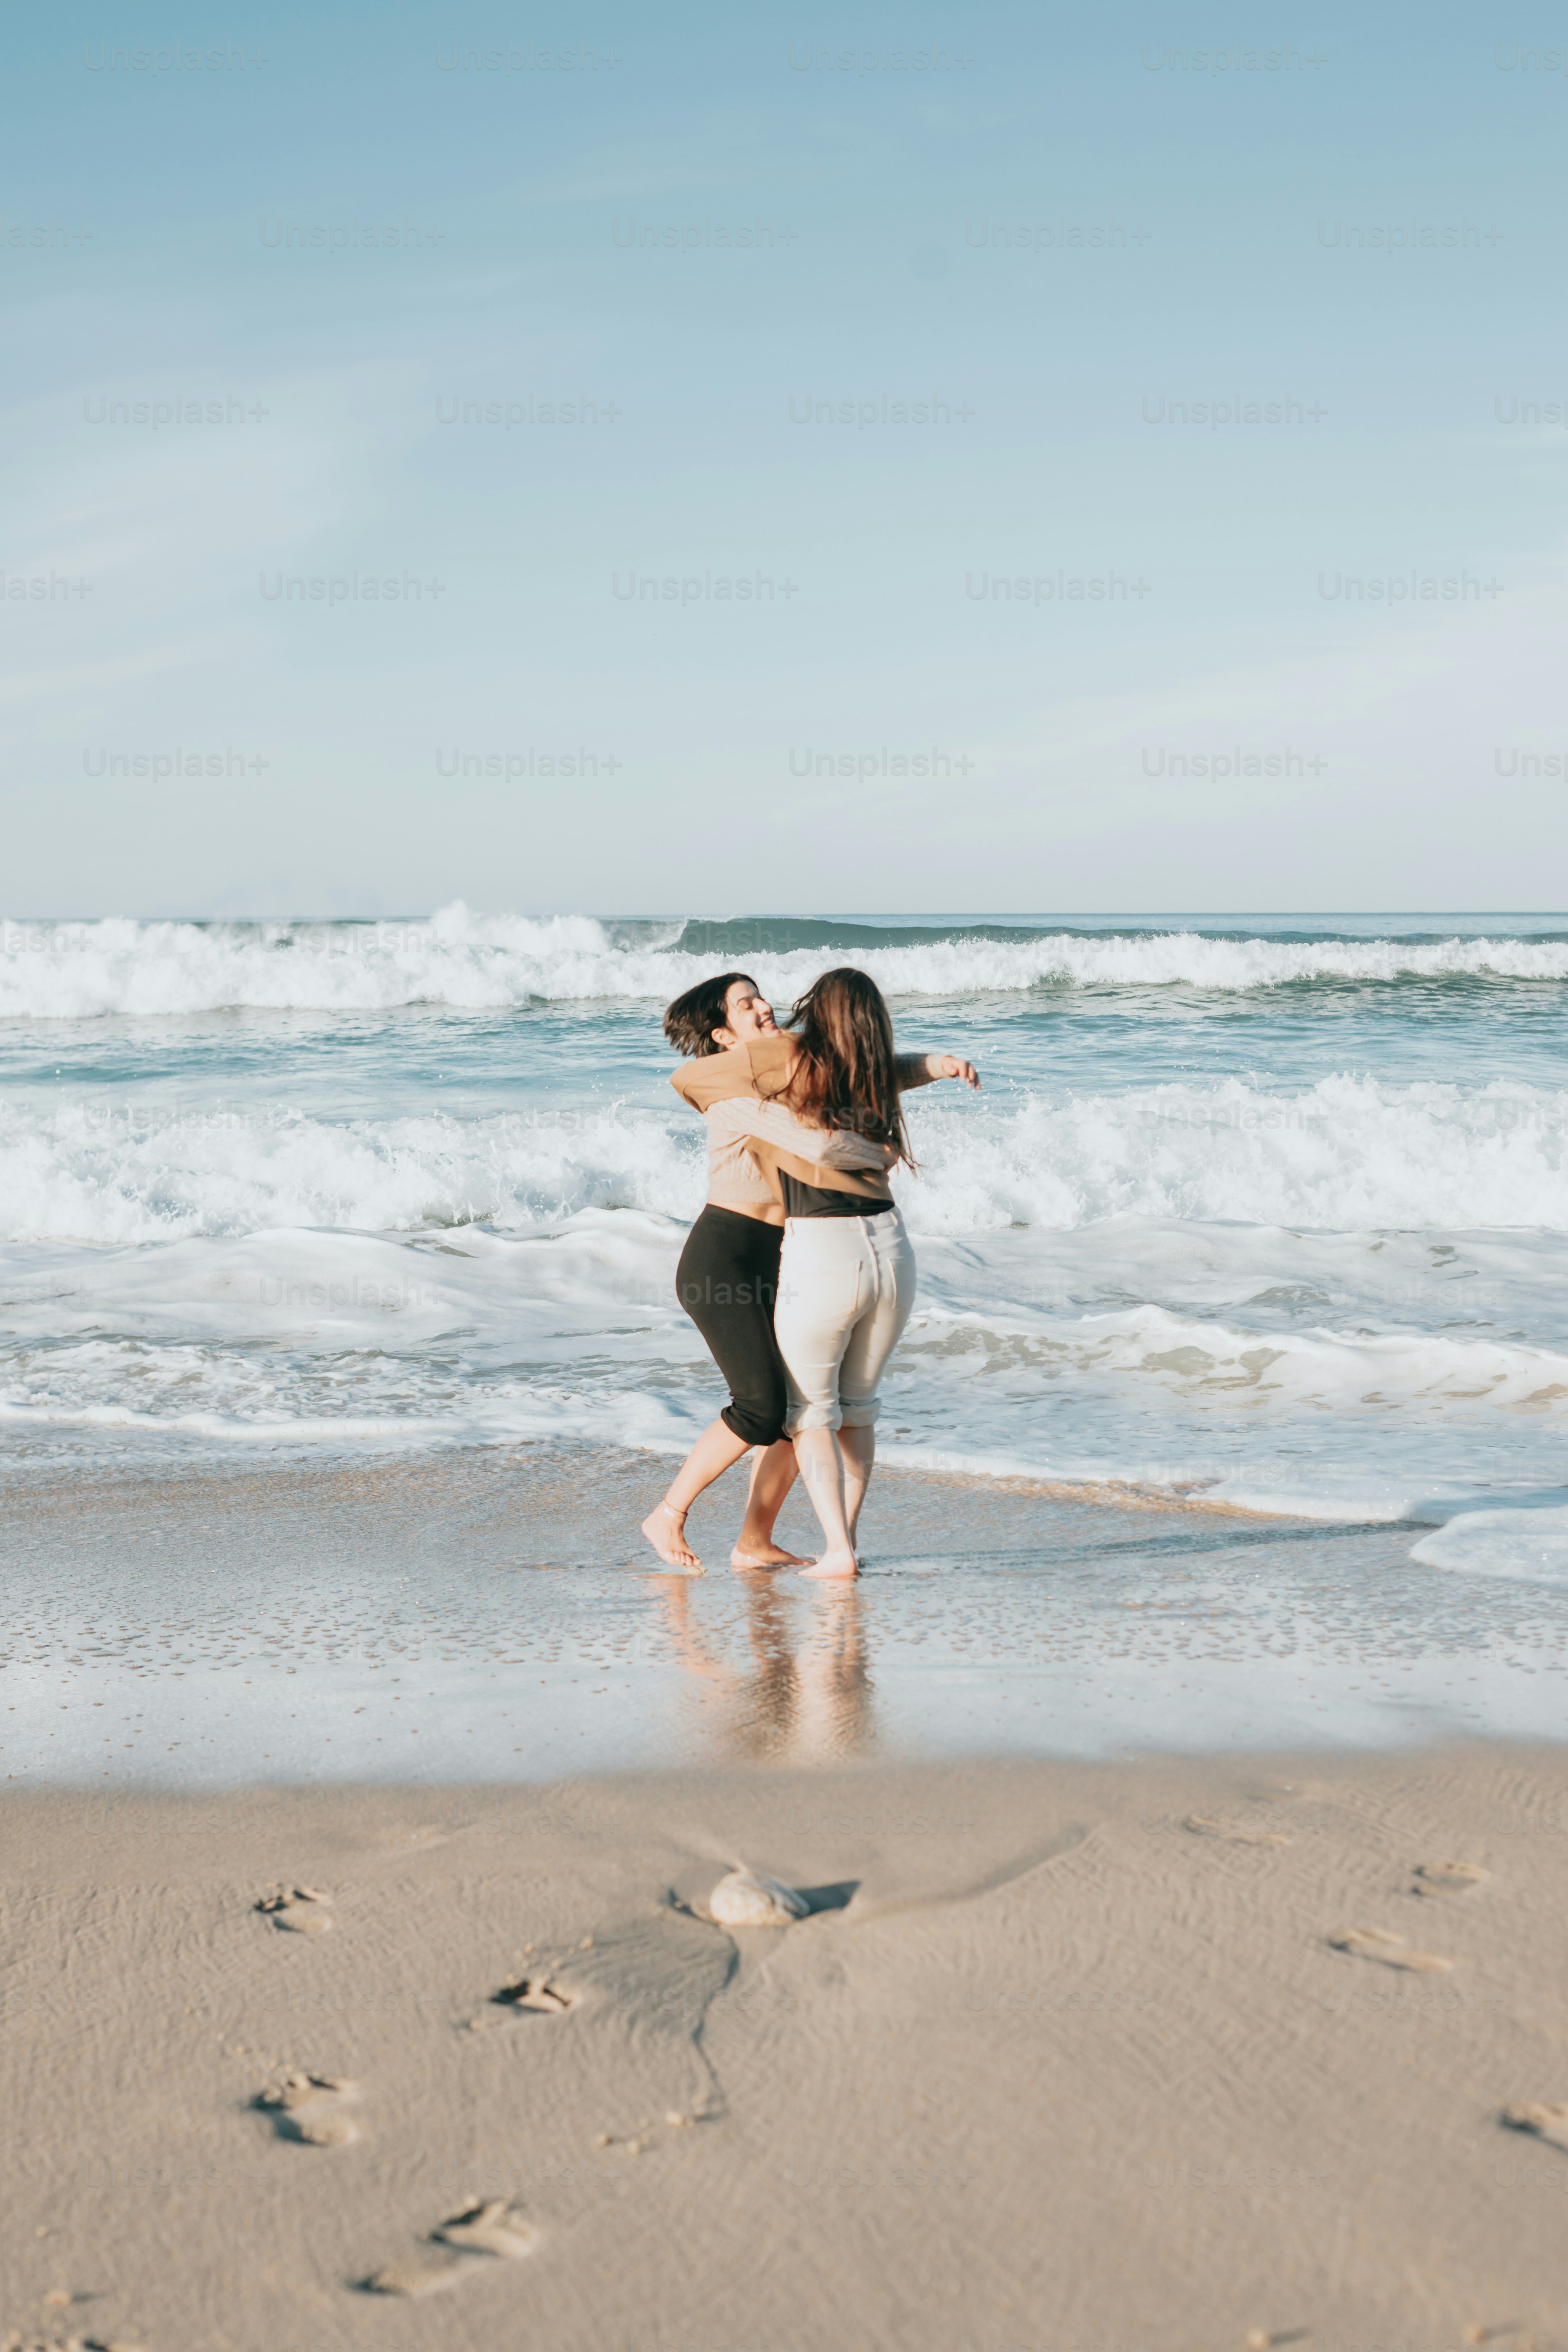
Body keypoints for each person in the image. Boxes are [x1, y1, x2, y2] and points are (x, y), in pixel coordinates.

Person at [650, 967, 977, 1574]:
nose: (764, 1006)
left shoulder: (787, 1066)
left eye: (760, 995)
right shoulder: (735, 1096)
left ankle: (754, 1542)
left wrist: (934, 1066)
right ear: (723, 1035)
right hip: (725, 1257)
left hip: (782, 1253)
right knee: (761, 1408)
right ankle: (668, 1513)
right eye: (746, 1005)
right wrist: (881, 1154)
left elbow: (862, 1065)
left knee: (796, 1410)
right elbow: (822, 1147)